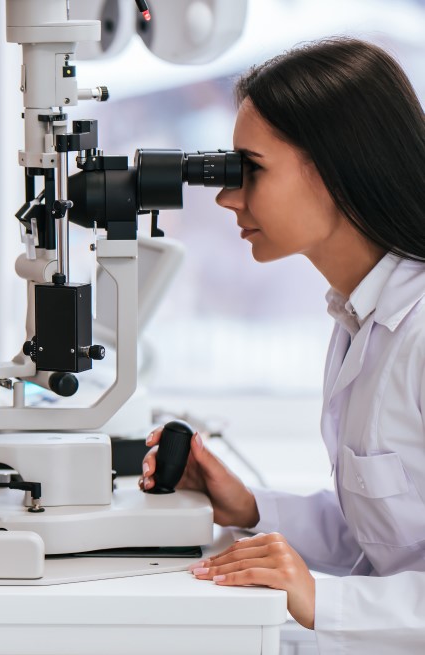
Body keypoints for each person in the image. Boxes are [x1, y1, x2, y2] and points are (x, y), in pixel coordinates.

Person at [140, 38, 425, 653]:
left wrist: (321, 598)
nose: (226, 197)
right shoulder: (359, 315)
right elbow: (389, 538)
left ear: (335, 168)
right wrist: (248, 507)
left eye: (252, 169)